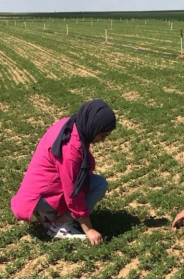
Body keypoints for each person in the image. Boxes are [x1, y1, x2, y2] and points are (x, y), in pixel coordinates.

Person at [11, 99, 116, 245]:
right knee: (98, 185)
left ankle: (48, 213)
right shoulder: (71, 150)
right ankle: (59, 224)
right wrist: (89, 229)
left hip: (35, 193)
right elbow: (73, 192)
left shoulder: (71, 124)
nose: (102, 140)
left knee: (89, 182)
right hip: (38, 199)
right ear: (93, 126)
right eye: (102, 135)